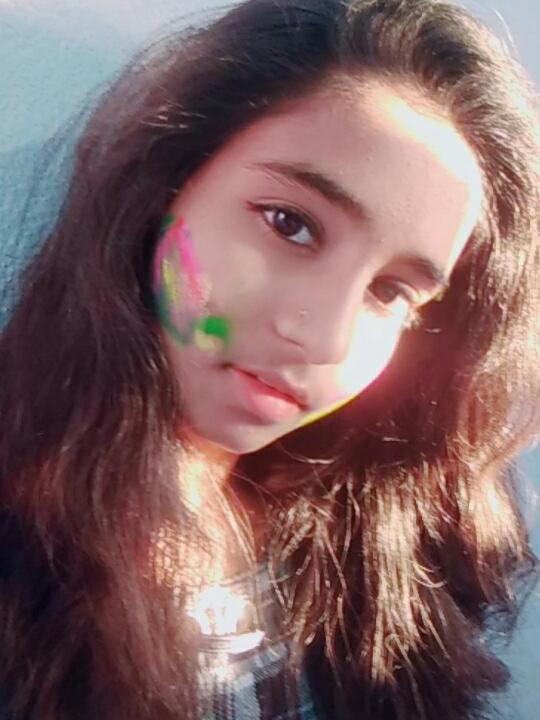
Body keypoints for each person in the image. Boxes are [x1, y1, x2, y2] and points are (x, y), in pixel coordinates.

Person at [0, 0, 538, 718]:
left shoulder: (370, 549)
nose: (326, 340)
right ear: (164, 185)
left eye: (389, 292)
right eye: (291, 225)